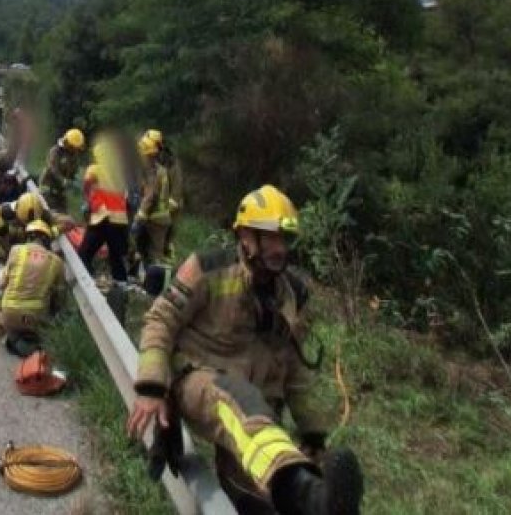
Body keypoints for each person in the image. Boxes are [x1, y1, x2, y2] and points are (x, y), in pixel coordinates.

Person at [126, 185, 364, 515]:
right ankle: (311, 498)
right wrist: (152, 386)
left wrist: (313, 434)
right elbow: (160, 320)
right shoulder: (207, 269)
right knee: (238, 401)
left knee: (254, 489)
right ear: (245, 236)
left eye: (285, 238)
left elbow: (295, 370)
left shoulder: (294, 297)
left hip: (260, 410)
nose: (279, 248)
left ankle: (301, 498)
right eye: (270, 237)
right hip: (201, 382)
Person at [0, 220, 66, 357]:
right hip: (37, 317)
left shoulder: (16, 250)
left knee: (1, 318)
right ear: (47, 240)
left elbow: (3, 283)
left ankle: (10, 338)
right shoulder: (57, 262)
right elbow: (60, 298)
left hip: (10, 313)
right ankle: (36, 344)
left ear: (27, 237)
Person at [78, 134, 130, 286]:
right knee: (116, 256)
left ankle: (87, 282)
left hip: (102, 217)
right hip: (120, 220)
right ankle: (122, 285)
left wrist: (88, 202)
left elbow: (86, 186)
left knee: (85, 253)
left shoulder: (94, 169)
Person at [131, 132, 172, 269]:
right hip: (157, 218)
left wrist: (139, 217)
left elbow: (150, 196)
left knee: (154, 257)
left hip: (155, 220)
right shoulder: (159, 169)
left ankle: (154, 285)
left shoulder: (153, 171)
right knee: (146, 253)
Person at [148, 129, 183, 257]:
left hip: (168, 209)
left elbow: (176, 189)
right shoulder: (151, 161)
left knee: (165, 241)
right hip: (154, 208)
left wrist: (168, 210)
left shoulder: (171, 163)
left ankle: (167, 267)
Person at [38, 128, 84, 214]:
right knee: (51, 214)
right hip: (48, 190)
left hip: (60, 193)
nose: (76, 150)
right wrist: (63, 181)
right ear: (68, 144)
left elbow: (73, 172)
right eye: (74, 148)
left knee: (63, 216)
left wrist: (76, 182)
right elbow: (53, 169)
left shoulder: (73, 156)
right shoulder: (55, 152)